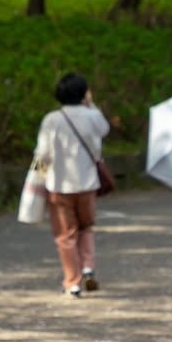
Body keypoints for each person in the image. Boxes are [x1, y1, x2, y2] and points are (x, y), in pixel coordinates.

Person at [33, 71, 111, 297]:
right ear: (84, 94)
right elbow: (104, 129)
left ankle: (72, 281)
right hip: (88, 184)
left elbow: (43, 154)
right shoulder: (93, 117)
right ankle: (88, 268)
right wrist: (91, 104)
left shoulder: (51, 120)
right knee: (86, 227)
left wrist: (37, 178)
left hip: (59, 186)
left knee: (66, 236)